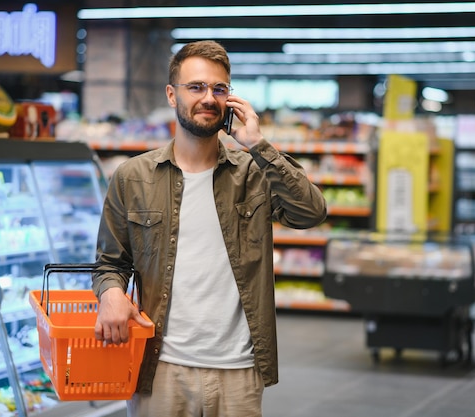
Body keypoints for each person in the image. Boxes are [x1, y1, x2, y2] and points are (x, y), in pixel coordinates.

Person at [92, 39, 327, 417]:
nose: (209, 98)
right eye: (196, 87)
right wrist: (111, 295)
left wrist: (258, 145)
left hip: (239, 371)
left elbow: (311, 213)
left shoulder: (254, 171)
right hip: (160, 368)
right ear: (172, 95)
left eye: (220, 89)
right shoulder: (132, 177)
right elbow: (109, 263)